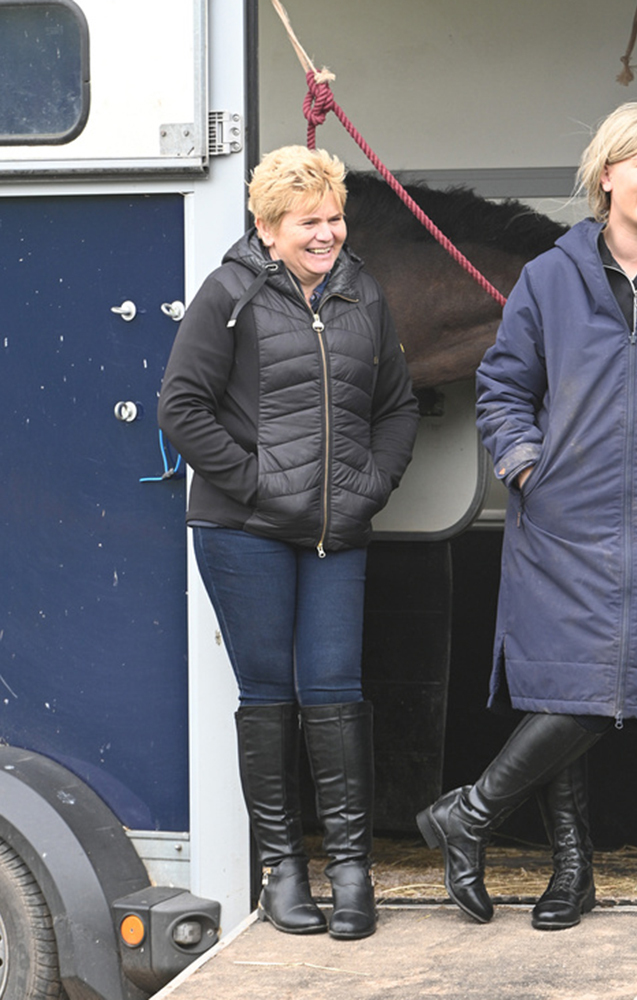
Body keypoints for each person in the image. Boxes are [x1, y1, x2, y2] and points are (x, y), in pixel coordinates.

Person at [416, 102, 637, 931]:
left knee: (620, 685)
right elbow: (503, 385)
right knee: (569, 685)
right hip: (563, 516)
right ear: (607, 174)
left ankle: (469, 814)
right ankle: (572, 872)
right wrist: (527, 464)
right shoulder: (551, 276)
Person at [158, 145, 419, 940]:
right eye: (309, 222)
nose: (327, 234)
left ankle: (352, 872)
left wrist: (370, 486)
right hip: (244, 532)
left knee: (336, 692)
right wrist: (259, 484)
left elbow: (398, 406)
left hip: (337, 533)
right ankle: (283, 872)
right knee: (269, 695)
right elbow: (181, 406)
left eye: (335, 218)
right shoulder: (229, 293)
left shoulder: (362, 294)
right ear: (268, 228)